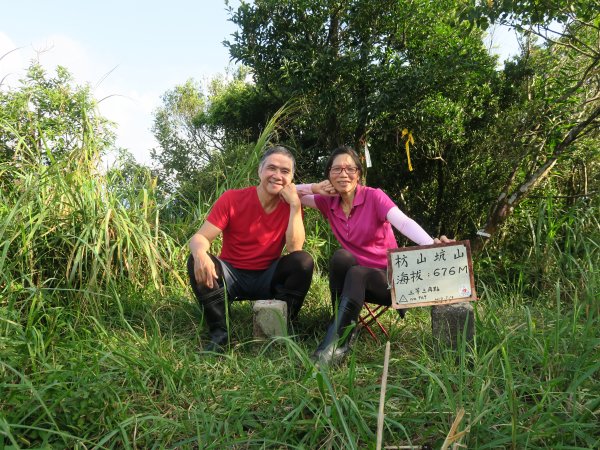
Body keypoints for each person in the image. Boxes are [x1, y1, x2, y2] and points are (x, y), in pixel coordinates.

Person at [297, 145, 452, 365]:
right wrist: (314, 187)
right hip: (357, 282)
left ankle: (331, 349)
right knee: (341, 257)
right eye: (336, 169)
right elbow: (289, 192)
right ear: (328, 176)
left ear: (358, 174)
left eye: (350, 169)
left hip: (390, 280)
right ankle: (340, 324)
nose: (343, 174)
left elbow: (404, 223)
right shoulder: (328, 202)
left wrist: (432, 244)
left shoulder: (374, 196)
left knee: (358, 273)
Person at [188, 145, 314, 353]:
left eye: (285, 172)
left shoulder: (291, 204)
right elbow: (200, 237)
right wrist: (200, 252)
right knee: (196, 259)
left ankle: (283, 325)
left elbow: (294, 248)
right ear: (260, 171)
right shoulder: (232, 198)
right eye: (271, 168)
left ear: (291, 178)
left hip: (268, 276)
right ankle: (220, 333)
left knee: (303, 261)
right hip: (231, 275)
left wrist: (294, 206)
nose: (277, 176)